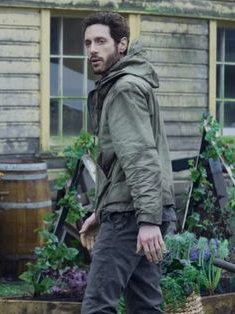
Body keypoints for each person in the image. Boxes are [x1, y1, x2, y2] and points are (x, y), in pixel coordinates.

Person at [79, 11, 176, 314]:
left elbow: (140, 157)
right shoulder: (127, 84)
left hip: (131, 217)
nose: (92, 49)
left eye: (101, 41)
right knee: (145, 306)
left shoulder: (123, 89)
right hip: (135, 211)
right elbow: (120, 162)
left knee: (97, 307)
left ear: (121, 45)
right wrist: (100, 210)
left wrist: (147, 220)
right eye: (87, 42)